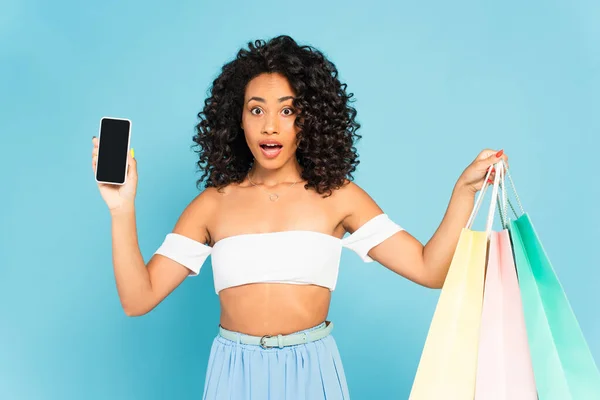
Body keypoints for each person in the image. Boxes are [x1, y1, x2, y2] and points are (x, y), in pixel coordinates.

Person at [91, 35, 508, 399]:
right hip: (234, 373)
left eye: (287, 110)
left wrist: (463, 192)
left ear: (309, 119)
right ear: (237, 119)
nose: (270, 126)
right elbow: (137, 298)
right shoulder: (212, 206)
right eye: (256, 110)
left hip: (314, 369)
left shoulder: (337, 196)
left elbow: (429, 269)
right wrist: (121, 207)